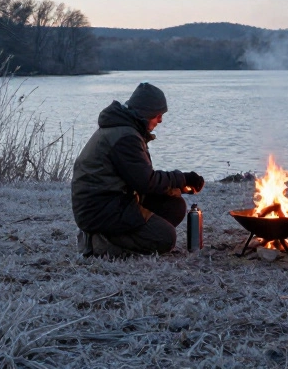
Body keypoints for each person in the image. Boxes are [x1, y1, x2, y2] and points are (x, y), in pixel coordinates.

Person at [70, 82, 205, 256]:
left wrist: (178, 187)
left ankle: (120, 235)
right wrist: (183, 178)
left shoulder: (126, 130)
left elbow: (139, 178)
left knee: (174, 205)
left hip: (115, 201)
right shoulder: (125, 137)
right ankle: (99, 242)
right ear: (146, 113)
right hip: (100, 209)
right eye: (158, 115)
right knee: (165, 238)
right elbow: (146, 182)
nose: (160, 120)